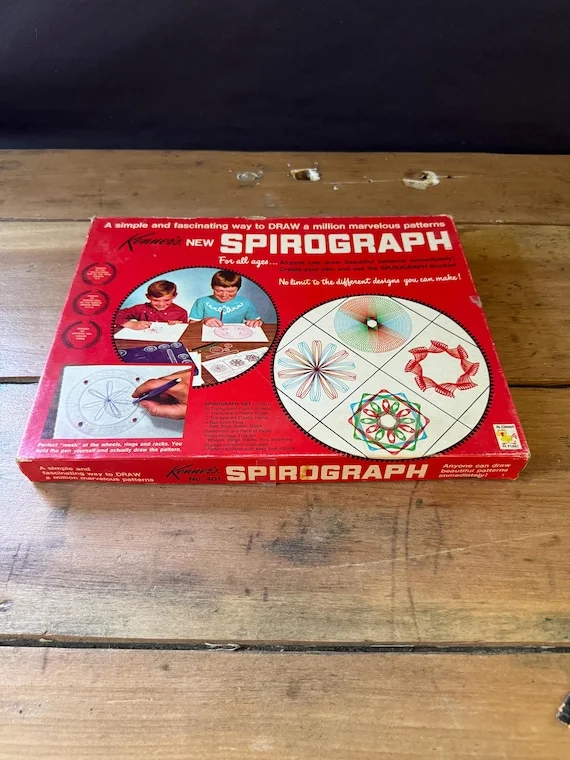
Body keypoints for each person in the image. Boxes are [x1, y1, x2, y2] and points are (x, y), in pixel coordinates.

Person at [188, 270, 262, 327]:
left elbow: (259, 323)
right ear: (212, 287)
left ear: (238, 289)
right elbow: (191, 325)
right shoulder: (201, 302)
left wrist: (256, 322)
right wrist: (204, 321)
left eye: (231, 291)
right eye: (219, 290)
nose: (224, 295)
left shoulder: (246, 303)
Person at [116, 279, 188, 329]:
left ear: (174, 296)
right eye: (156, 300)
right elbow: (114, 315)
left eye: (167, 300)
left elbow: (185, 332)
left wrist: (179, 326)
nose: (161, 304)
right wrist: (131, 324)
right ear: (148, 297)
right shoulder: (139, 309)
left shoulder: (181, 313)